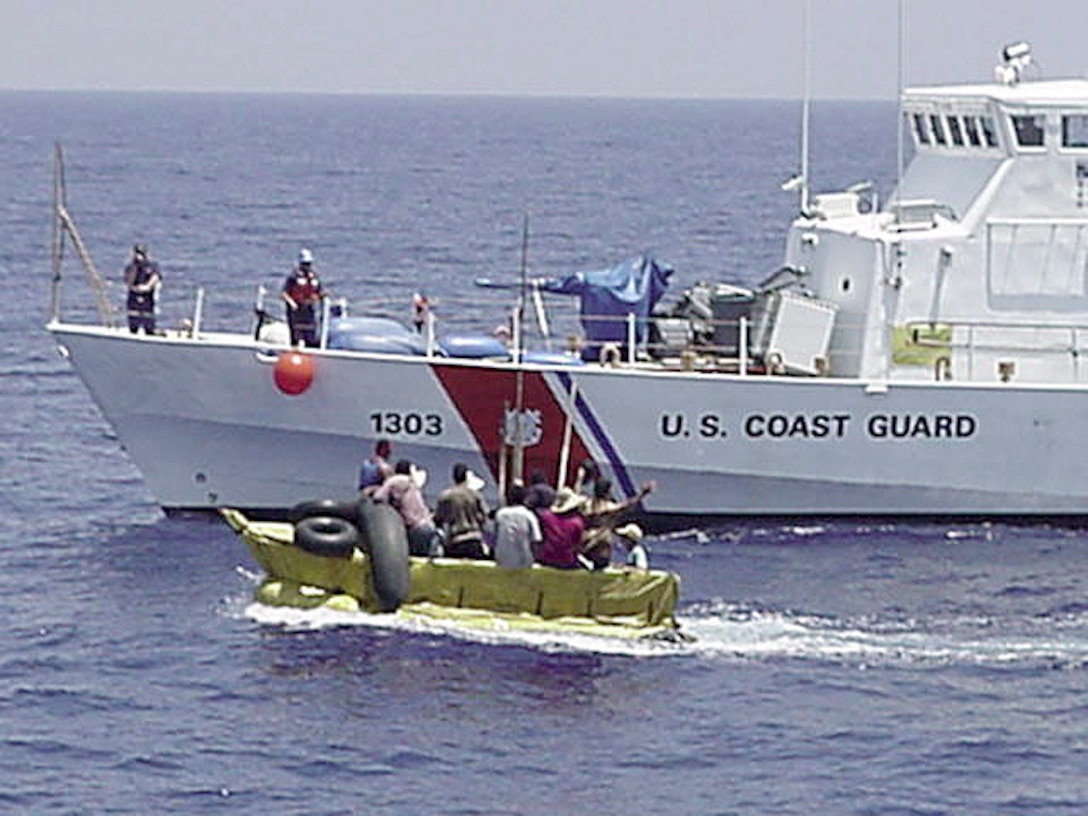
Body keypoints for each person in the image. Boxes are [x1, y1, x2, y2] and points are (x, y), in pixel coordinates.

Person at [580, 477, 655, 570]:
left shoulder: (586, 505)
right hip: (600, 546)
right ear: (607, 492)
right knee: (605, 536)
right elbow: (627, 505)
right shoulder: (608, 507)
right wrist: (642, 494)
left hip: (584, 542)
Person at [372, 459, 441, 557]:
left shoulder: (394, 480)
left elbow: (378, 498)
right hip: (429, 526)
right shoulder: (413, 484)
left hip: (415, 528)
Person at [434, 462, 490, 559]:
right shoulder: (476, 495)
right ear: (466, 477)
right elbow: (485, 516)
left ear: (453, 477)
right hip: (474, 541)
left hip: (456, 542)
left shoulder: (446, 496)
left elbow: (438, 518)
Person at [534, 486, 587, 570]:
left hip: (546, 558)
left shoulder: (546, 517)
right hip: (566, 560)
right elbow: (578, 545)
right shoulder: (577, 522)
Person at [492, 483, 542, 569]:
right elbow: (536, 540)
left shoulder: (500, 514)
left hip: (502, 560)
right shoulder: (529, 515)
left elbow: (494, 537)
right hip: (523, 561)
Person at [281, 248, 324, 347]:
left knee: (311, 335)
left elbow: (320, 292)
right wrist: (292, 304)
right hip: (296, 311)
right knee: (296, 335)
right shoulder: (293, 277)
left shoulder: (314, 277)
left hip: (309, 310)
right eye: (304, 264)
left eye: (308, 264)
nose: (307, 267)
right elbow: (284, 293)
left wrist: (318, 298)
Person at [123, 244, 162, 334]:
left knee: (148, 322)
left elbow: (155, 277)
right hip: (134, 296)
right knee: (133, 322)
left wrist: (147, 286)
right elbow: (128, 281)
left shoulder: (152, 266)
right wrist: (135, 267)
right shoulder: (131, 267)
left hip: (147, 297)